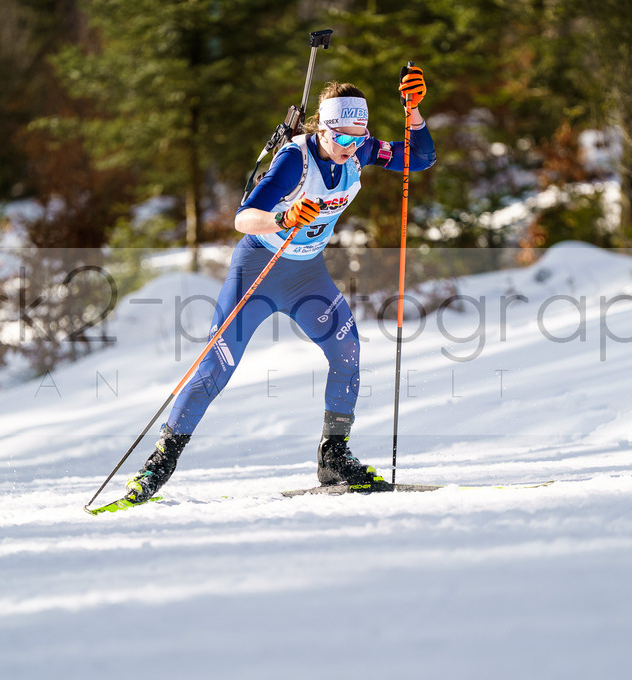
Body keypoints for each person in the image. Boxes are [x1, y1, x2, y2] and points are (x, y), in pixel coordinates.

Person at [123, 65, 435, 503]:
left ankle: (334, 458)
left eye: (358, 137)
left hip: (307, 273)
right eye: (342, 137)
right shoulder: (295, 159)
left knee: (346, 350)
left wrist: (414, 110)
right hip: (259, 269)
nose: (351, 146)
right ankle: (159, 464)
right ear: (323, 129)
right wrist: (283, 217)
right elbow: (242, 218)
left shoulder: (360, 149)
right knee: (218, 366)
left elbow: (419, 158)